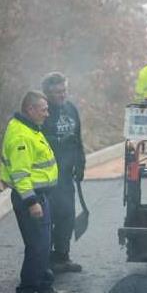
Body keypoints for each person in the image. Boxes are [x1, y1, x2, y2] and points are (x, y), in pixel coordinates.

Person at [0, 91, 67, 293]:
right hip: (31, 198)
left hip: (38, 196)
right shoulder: (22, 135)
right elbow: (20, 174)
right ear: (30, 109)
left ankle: (45, 287)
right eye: (43, 109)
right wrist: (32, 202)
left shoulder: (30, 128)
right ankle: (27, 291)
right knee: (38, 247)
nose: (47, 114)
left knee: (42, 245)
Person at [40, 72, 86, 274]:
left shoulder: (71, 109)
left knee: (67, 215)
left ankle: (62, 256)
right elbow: (38, 142)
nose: (62, 95)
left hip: (67, 174)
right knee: (50, 217)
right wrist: (59, 142)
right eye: (58, 92)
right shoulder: (43, 112)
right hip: (47, 176)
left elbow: (78, 138)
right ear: (47, 93)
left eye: (64, 90)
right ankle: (45, 259)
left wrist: (81, 163)